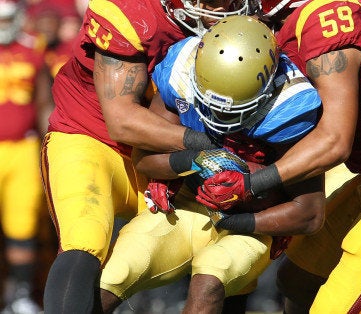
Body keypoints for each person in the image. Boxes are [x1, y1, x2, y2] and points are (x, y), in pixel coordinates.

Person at [195, 0, 361, 312]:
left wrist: (254, 183)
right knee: (297, 279)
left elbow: (335, 141)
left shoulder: (323, 22)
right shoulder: (295, 23)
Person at [38, 0, 259, 312]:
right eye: (214, 2)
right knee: (85, 238)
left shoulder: (253, 20)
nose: (226, 10)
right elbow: (123, 122)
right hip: (93, 140)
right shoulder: (132, 14)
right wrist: (205, 143)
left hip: (169, 162)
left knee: (228, 250)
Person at [97, 15, 325, 314]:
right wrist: (194, 158)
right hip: (186, 212)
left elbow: (309, 213)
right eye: (209, 104)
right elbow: (145, 160)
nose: (220, 118)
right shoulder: (180, 74)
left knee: (209, 279)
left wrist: (241, 209)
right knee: (114, 274)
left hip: (252, 227)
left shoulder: (290, 111)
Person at [0, 0, 53, 313]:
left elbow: (45, 102)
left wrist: (51, 146)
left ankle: (20, 295)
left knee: (22, 224)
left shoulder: (34, 49)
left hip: (22, 148)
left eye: (7, 20)